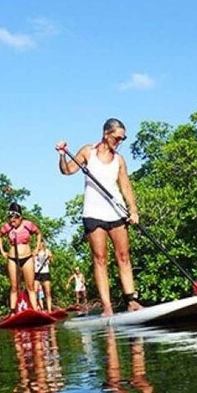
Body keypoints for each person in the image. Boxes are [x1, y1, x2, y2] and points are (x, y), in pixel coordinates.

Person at [55, 118, 141, 317]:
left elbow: (125, 186)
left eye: (123, 139)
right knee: (100, 259)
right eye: (117, 137)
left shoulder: (119, 160)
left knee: (124, 256)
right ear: (106, 134)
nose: (119, 141)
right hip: (93, 213)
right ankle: (107, 306)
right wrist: (61, 156)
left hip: (116, 211)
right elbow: (67, 170)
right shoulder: (88, 152)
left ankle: (131, 301)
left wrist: (133, 209)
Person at [0, 202, 44, 313]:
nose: (12, 223)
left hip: (27, 257)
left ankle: (35, 309)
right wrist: (2, 251)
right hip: (13, 258)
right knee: (14, 286)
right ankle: (12, 312)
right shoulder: (7, 227)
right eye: (10, 220)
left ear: (20, 218)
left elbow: (38, 233)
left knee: (30, 286)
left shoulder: (28, 224)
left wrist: (36, 248)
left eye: (14, 220)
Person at [35, 245, 54, 312]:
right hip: (37, 273)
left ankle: (49, 310)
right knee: (34, 291)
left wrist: (50, 256)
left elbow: (52, 262)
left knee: (48, 292)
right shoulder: (35, 251)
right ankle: (36, 308)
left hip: (45, 272)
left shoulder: (47, 251)